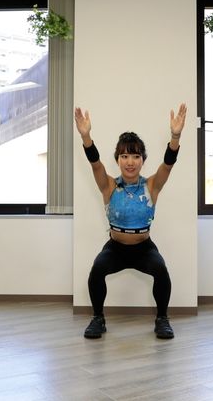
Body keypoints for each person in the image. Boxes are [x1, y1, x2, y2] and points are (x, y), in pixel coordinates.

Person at [74, 103, 187, 339]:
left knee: (161, 270)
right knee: (97, 270)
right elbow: (95, 164)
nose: (130, 162)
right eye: (124, 156)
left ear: (142, 160)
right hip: (115, 248)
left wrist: (175, 136)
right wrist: (86, 137)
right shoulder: (109, 186)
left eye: (136, 156)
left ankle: (162, 319)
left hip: (144, 248)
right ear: (118, 159)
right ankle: (98, 318)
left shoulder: (151, 185)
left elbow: (168, 165)